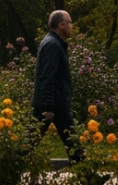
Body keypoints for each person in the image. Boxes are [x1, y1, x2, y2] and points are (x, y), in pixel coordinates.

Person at [33, 10, 82, 163]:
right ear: (61, 25)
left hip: (57, 104)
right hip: (53, 105)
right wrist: (48, 107)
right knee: (30, 142)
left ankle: (88, 177)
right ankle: (6, 173)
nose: (71, 26)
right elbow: (47, 76)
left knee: (72, 142)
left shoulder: (55, 43)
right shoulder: (52, 45)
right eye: (69, 23)